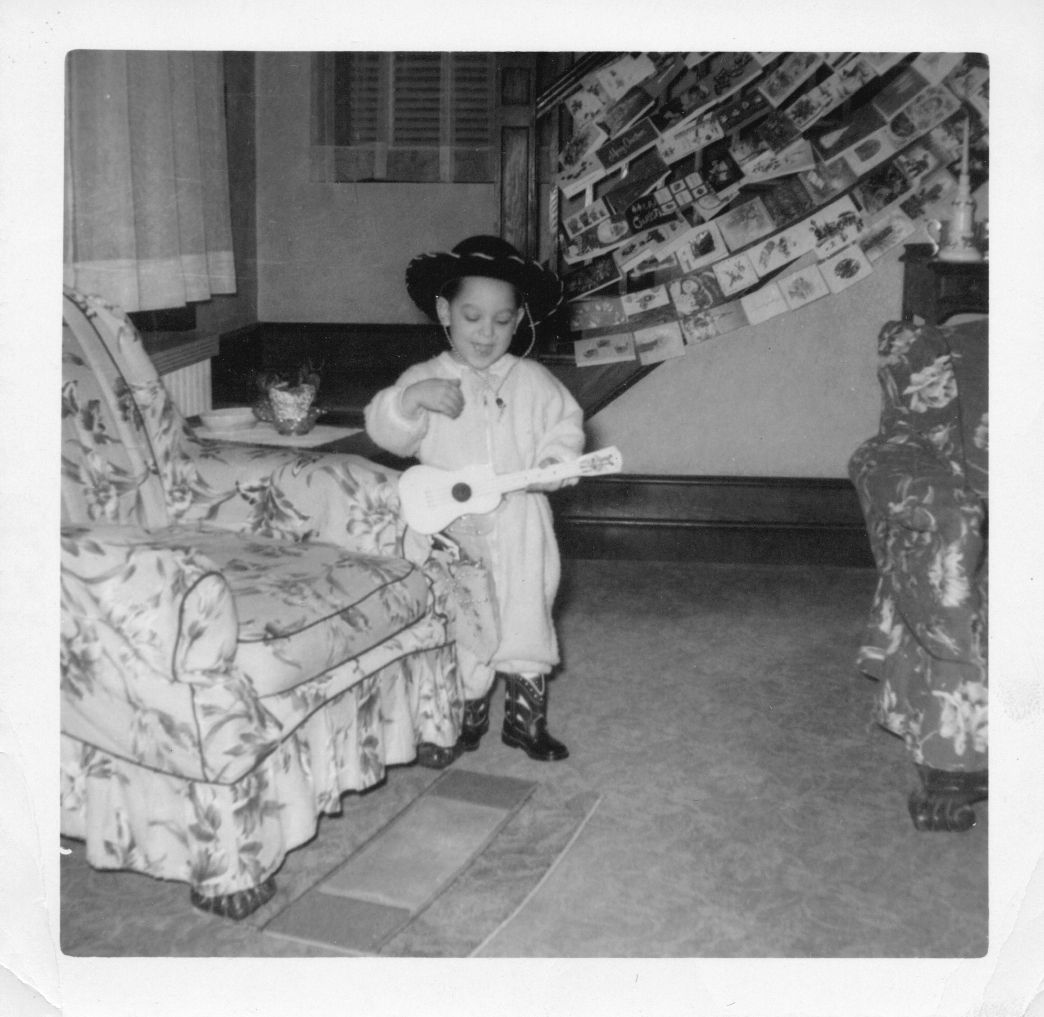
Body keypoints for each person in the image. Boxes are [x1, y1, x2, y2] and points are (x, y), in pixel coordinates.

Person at [365, 235, 585, 764]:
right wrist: (408, 403)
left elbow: (565, 427)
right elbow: (385, 432)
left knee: (526, 610)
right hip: (452, 529)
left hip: (519, 521)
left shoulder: (532, 380)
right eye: (472, 317)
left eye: (502, 320)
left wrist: (555, 462)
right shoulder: (427, 379)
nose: (487, 333)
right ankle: (462, 712)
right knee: (464, 619)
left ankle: (526, 718)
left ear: (519, 319)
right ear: (445, 312)